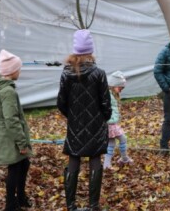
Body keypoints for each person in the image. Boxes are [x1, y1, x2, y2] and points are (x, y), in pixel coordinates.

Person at [57, 29, 112, 211]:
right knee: (95, 158)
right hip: (96, 124)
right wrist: (103, 118)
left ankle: (71, 205)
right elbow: (106, 102)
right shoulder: (99, 73)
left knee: (74, 159)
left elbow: (61, 102)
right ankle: (93, 204)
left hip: (75, 125)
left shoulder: (66, 74)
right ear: (90, 51)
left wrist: (72, 117)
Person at [0, 49, 32, 210]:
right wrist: (21, 143)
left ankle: (20, 197)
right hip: (9, 138)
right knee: (15, 168)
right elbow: (11, 120)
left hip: (7, 136)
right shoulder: (7, 91)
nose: (20, 71)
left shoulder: (1, 87)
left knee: (23, 164)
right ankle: (10, 203)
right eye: (18, 69)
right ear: (12, 71)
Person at [103, 71, 133, 170]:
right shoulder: (108, 95)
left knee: (111, 143)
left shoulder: (111, 94)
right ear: (113, 84)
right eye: (120, 88)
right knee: (123, 139)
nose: (120, 90)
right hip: (110, 123)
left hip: (112, 123)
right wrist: (110, 120)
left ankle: (107, 164)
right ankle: (124, 159)